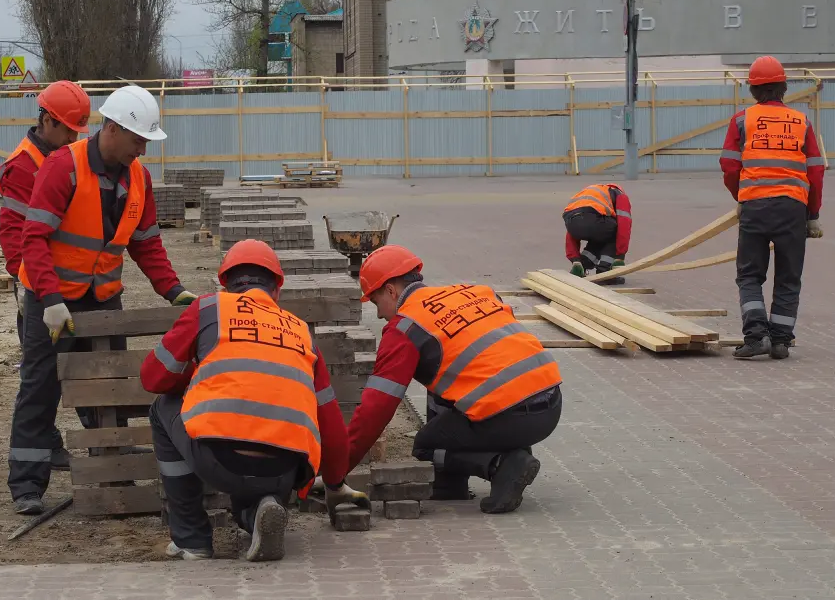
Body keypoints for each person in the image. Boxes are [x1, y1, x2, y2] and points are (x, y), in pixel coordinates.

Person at [9, 84, 198, 516]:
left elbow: (146, 243)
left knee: (108, 389)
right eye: (138, 141)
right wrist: (51, 299)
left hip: (102, 298)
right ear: (112, 129)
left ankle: (112, 471)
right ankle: (26, 487)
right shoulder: (63, 167)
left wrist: (174, 290)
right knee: (40, 390)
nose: (143, 151)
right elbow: (33, 238)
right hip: (51, 300)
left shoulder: (138, 178)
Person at [139, 240, 364, 561]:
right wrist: (335, 483)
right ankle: (260, 509)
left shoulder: (208, 308)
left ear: (226, 285)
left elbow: (153, 378)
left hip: (221, 461)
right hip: (286, 471)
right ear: (277, 291)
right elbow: (330, 424)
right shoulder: (301, 332)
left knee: (163, 408)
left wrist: (200, 373)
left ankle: (192, 539)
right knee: (261, 468)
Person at [346, 245, 564, 514]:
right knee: (441, 383)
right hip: (551, 405)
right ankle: (451, 484)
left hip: (510, 417)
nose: (379, 314)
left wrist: (338, 468)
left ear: (391, 290)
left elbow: (375, 410)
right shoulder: (476, 292)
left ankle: (502, 464)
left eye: (377, 302)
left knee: (425, 446)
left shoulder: (405, 328)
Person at [719, 55, 825, 361]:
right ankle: (780, 341)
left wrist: (740, 196)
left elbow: (728, 165)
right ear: (784, 88)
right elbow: (815, 170)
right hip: (793, 208)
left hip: (755, 206)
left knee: (750, 275)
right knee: (789, 276)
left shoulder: (742, 120)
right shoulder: (801, 121)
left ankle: (756, 337)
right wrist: (813, 214)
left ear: (753, 90)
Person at [0, 80, 91, 349]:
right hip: (38, 276)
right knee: (41, 363)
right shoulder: (24, 167)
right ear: (48, 120)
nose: (74, 138)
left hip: (66, 274)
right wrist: (24, 282)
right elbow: (13, 231)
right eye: (70, 131)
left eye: (78, 131)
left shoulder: (67, 156)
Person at [563, 182, 633, 284]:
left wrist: (575, 259)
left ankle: (583, 264)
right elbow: (624, 226)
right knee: (614, 230)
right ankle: (605, 272)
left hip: (571, 221)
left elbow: (570, 233)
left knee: (601, 234)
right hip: (594, 219)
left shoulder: (590, 193)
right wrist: (620, 256)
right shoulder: (620, 195)